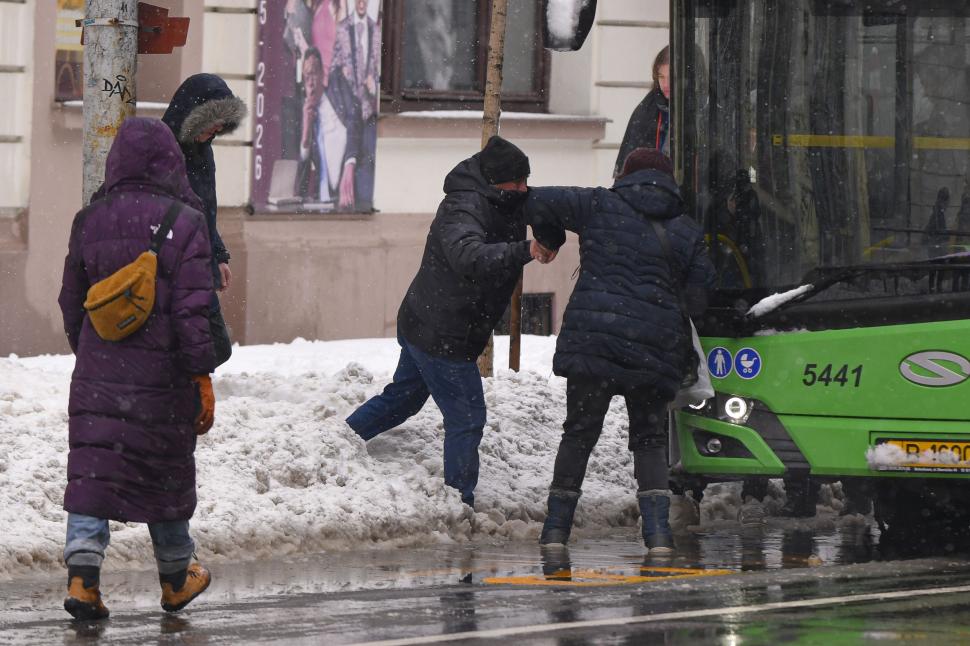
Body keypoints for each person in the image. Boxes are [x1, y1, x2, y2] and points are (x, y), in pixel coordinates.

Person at [57, 117, 218, 620]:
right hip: (162, 382)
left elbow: (70, 299)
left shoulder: (90, 219)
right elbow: (194, 312)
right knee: (165, 475)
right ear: (171, 162)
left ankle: (83, 580)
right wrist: (201, 374)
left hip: (98, 377)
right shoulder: (187, 223)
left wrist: (90, 351)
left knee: (93, 470)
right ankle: (175, 579)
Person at [345, 135, 554, 507]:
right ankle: (459, 500)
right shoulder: (463, 206)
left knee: (404, 398)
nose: (524, 189)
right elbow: (467, 255)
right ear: (495, 181)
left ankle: (340, 440)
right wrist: (526, 250)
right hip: (443, 332)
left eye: (526, 180)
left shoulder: (504, 199)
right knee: (468, 416)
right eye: (517, 182)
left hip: (430, 321)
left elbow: (554, 204)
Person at [525, 148, 715, 554]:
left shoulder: (597, 203)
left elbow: (535, 199)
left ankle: (556, 531)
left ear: (625, 175)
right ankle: (658, 536)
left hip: (596, 342)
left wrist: (550, 237)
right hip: (655, 349)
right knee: (649, 440)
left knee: (578, 433)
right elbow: (700, 299)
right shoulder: (687, 230)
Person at [162, 73, 247, 366]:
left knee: (213, 346)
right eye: (212, 123)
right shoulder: (164, 152)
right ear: (193, 116)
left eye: (221, 126)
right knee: (208, 345)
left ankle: (169, 391)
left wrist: (219, 255)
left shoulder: (202, 153)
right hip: (175, 266)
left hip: (197, 262)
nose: (215, 131)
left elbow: (205, 211)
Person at [332, 0, 380, 211]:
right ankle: (347, 203)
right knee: (348, 153)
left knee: (368, 155)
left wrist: (374, 83)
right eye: (357, 0)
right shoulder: (342, 28)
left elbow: (380, 69)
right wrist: (343, 78)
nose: (361, 3)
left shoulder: (376, 29)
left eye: (365, 0)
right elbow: (334, 68)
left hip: (369, 107)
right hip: (349, 107)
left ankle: (363, 203)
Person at [298, 46, 361, 207]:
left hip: (351, 192)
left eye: (313, 74)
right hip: (325, 203)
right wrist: (305, 134)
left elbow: (355, 119)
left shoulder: (337, 88)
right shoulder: (306, 116)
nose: (310, 83)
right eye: (306, 77)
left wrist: (349, 163)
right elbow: (300, 185)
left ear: (322, 74)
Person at [614, 46, 671, 176]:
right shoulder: (647, 110)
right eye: (661, 77)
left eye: (671, 77)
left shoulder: (701, 109)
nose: (665, 84)